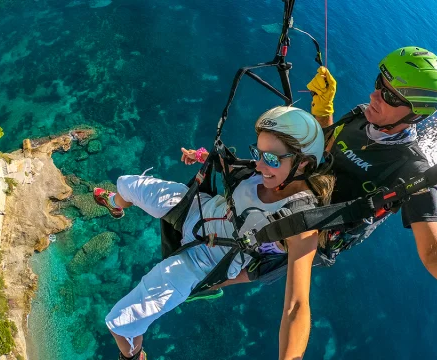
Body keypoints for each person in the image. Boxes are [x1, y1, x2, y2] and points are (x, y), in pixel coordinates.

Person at [203, 46, 437, 313]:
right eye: (380, 83)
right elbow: (324, 145)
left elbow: (434, 250)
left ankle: (208, 286)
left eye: (390, 97)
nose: (376, 96)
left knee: (252, 264)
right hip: (298, 193)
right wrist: (324, 107)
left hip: (316, 231)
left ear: (415, 113)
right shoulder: (361, 115)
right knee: (231, 179)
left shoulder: (412, 169)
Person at [94, 106, 334, 360]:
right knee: (126, 184)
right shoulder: (264, 171)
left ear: (303, 164)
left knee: (121, 324)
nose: (260, 165)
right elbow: (227, 163)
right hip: (198, 209)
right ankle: (116, 204)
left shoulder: (299, 222)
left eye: (271, 159)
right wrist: (201, 156)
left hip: (202, 262)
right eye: (258, 152)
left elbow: (296, 305)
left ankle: (134, 357)